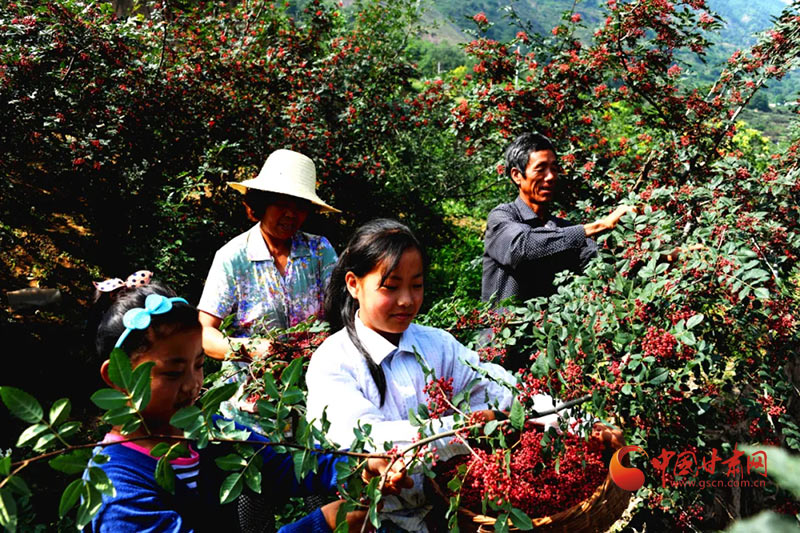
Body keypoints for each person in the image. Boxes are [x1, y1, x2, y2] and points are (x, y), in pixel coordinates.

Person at [88, 282, 407, 533]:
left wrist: (359, 466)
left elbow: (283, 464)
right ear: (116, 378)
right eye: (172, 372)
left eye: (198, 365)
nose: (192, 385)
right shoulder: (118, 490)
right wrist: (321, 525)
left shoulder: (207, 432)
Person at [305, 219, 561, 532]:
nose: (407, 300)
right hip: (371, 521)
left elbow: (502, 390)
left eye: (416, 284)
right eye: (391, 286)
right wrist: (469, 427)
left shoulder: (437, 345)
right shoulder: (333, 361)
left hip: (444, 515)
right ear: (353, 284)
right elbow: (366, 440)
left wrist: (571, 419)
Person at [198, 148, 340, 361]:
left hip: (314, 375)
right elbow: (205, 334)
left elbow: (344, 311)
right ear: (262, 204)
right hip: (250, 383)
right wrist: (251, 349)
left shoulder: (319, 251)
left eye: (299, 206)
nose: (291, 214)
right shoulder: (233, 257)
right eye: (282, 203)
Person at [481, 132, 636, 303]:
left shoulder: (560, 228)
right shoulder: (502, 218)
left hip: (551, 329)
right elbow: (521, 248)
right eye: (541, 169)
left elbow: (603, 258)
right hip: (504, 329)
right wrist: (600, 225)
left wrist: (659, 255)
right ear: (517, 175)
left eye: (554, 169)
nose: (550, 177)